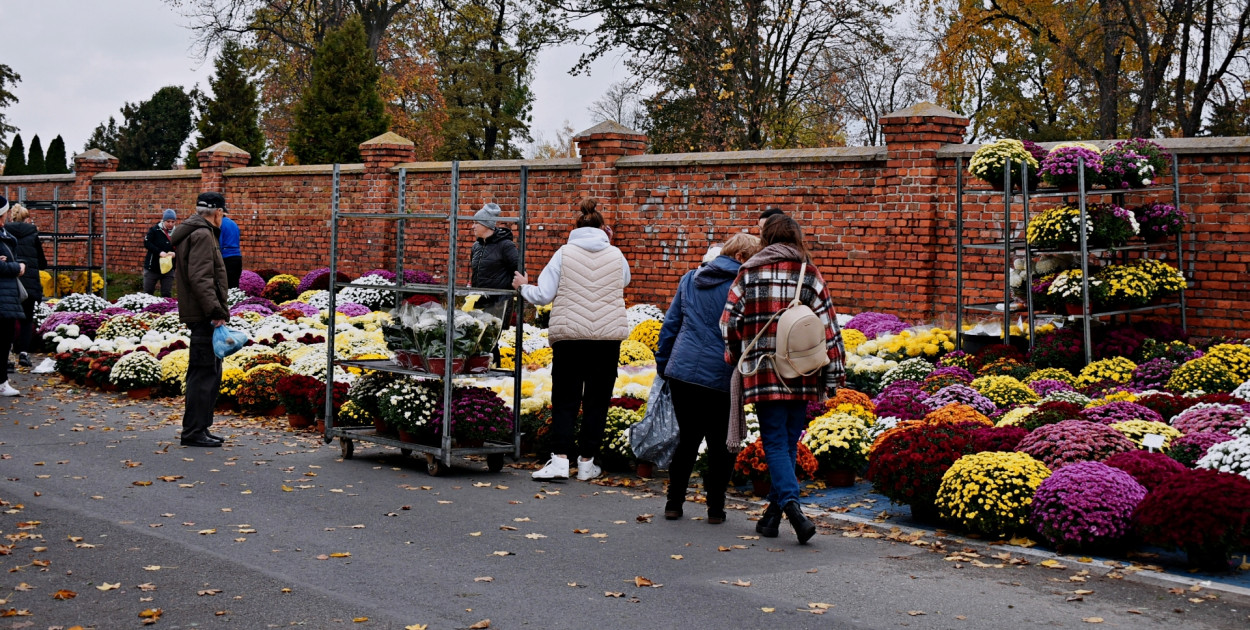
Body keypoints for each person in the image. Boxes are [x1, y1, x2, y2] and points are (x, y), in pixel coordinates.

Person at [722, 214, 846, 544]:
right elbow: (830, 329)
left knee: (776, 440)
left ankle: (790, 506)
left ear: (767, 239)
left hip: (764, 370)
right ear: (796, 237)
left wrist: (736, 354)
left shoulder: (749, 271)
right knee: (788, 441)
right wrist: (833, 375)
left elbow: (728, 324)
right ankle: (772, 517)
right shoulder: (810, 273)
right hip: (803, 371)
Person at [513, 198, 630, 482]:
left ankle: (560, 460)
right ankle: (588, 463)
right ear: (604, 229)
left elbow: (543, 295)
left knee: (565, 398)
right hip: (606, 339)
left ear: (575, 227)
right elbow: (623, 281)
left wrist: (522, 287)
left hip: (571, 338)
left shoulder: (563, 253)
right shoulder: (617, 256)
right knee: (597, 400)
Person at [655, 232, 762, 524]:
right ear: (741, 257)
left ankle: (673, 504)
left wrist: (665, 364)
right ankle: (715, 509)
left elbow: (671, 324)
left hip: (683, 372)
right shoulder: (743, 287)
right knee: (720, 444)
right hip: (722, 374)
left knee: (687, 440)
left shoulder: (691, 278)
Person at [172, 192, 231, 447]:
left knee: (206, 372)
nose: (223, 218)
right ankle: (194, 431)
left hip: (199, 312)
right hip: (203, 314)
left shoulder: (195, 231)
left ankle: (200, 428)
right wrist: (215, 311)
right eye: (223, 213)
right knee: (204, 374)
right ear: (217, 212)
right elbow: (202, 278)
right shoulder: (203, 234)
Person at [469, 202, 522, 331]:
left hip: (499, 304)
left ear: (486, 225)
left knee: (491, 342)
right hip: (479, 302)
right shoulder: (476, 246)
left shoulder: (506, 246)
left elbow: (518, 272)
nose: (472, 226)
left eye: (476, 223)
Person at [5, 205, 46, 369]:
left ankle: (7, 357)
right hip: (30, 285)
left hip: (10, 283)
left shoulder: (4, 234)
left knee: (7, 321)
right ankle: (23, 353)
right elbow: (42, 262)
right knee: (27, 319)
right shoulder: (33, 235)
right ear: (26, 218)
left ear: (10, 217)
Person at [0, 196, 28, 396]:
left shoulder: (5, 234)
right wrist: (16, 267)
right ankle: (2, 382)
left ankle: (2, 381)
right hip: (3, 294)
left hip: (7, 294)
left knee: (6, 338)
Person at [143, 209, 178, 297]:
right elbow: (147, 243)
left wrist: (175, 254)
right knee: (148, 293)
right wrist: (159, 252)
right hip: (153, 267)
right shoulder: (155, 230)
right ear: (163, 220)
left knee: (166, 293)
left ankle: (166, 309)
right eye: (168, 221)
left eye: (173, 222)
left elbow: (181, 247)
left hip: (168, 268)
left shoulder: (177, 232)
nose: (170, 224)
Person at [219, 205, 242, 290]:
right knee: (234, 286)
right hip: (237, 256)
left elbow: (219, 243)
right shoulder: (233, 223)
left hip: (226, 257)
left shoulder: (220, 224)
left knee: (225, 287)